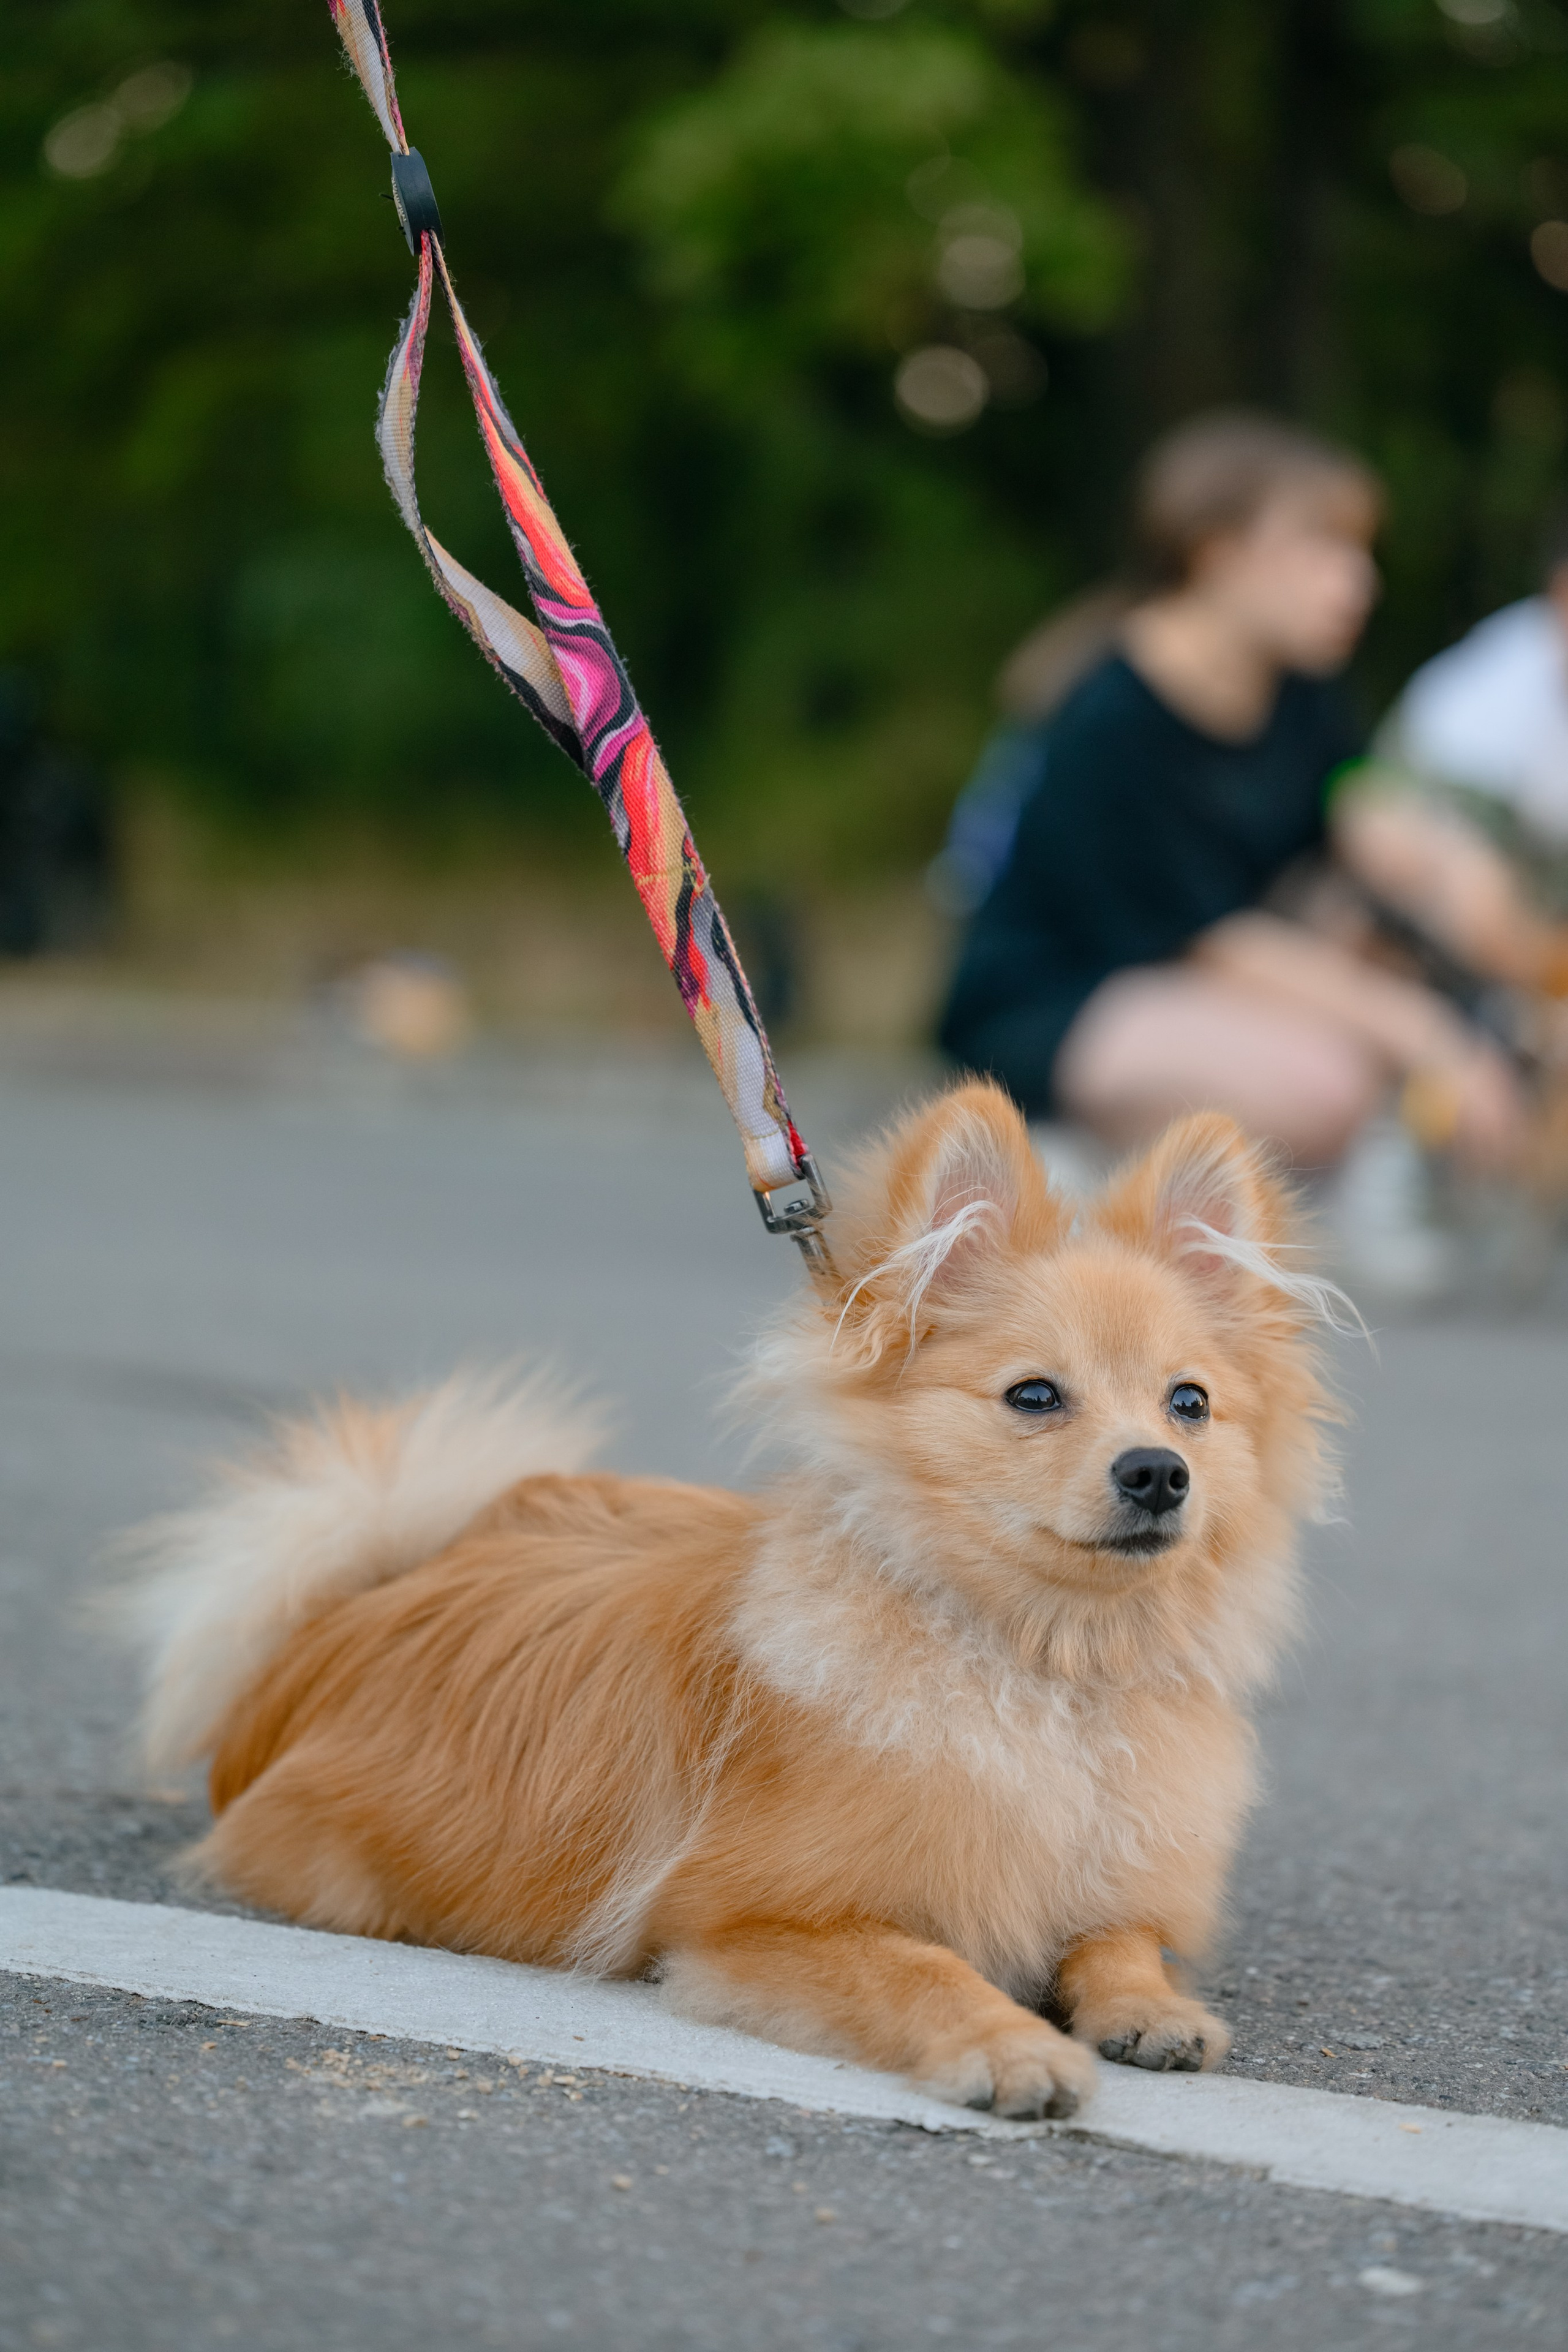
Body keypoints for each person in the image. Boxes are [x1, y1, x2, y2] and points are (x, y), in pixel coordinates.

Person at [938, 411, 1545, 1199]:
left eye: (1360, 551)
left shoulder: (1301, 688)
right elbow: (1207, 940)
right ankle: (1082, 1162)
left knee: (1406, 917)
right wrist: (1428, 1034)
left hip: (1207, 974)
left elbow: (1348, 791)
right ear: (1218, 556)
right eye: (1324, 549)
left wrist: (1451, 866)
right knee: (1327, 1084)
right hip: (1062, 996)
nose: (1360, 582)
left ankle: (1379, 1172)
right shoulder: (1111, 717)